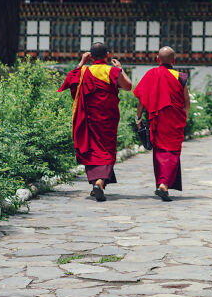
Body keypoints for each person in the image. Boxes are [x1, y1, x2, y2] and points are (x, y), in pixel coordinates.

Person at [58, 42, 132, 202]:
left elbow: (71, 80)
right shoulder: (112, 71)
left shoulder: (83, 71)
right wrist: (120, 68)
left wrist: (82, 62)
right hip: (108, 118)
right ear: (107, 55)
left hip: (89, 118)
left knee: (91, 149)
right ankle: (99, 183)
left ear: (90, 56)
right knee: (106, 150)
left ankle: (96, 184)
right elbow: (128, 86)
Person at [133, 46, 190, 202]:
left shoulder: (151, 74)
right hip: (175, 121)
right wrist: (183, 118)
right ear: (174, 60)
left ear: (157, 59)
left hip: (157, 120)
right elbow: (186, 101)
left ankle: (161, 184)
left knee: (159, 152)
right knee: (172, 152)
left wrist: (138, 119)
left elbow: (141, 100)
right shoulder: (180, 77)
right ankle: (163, 185)